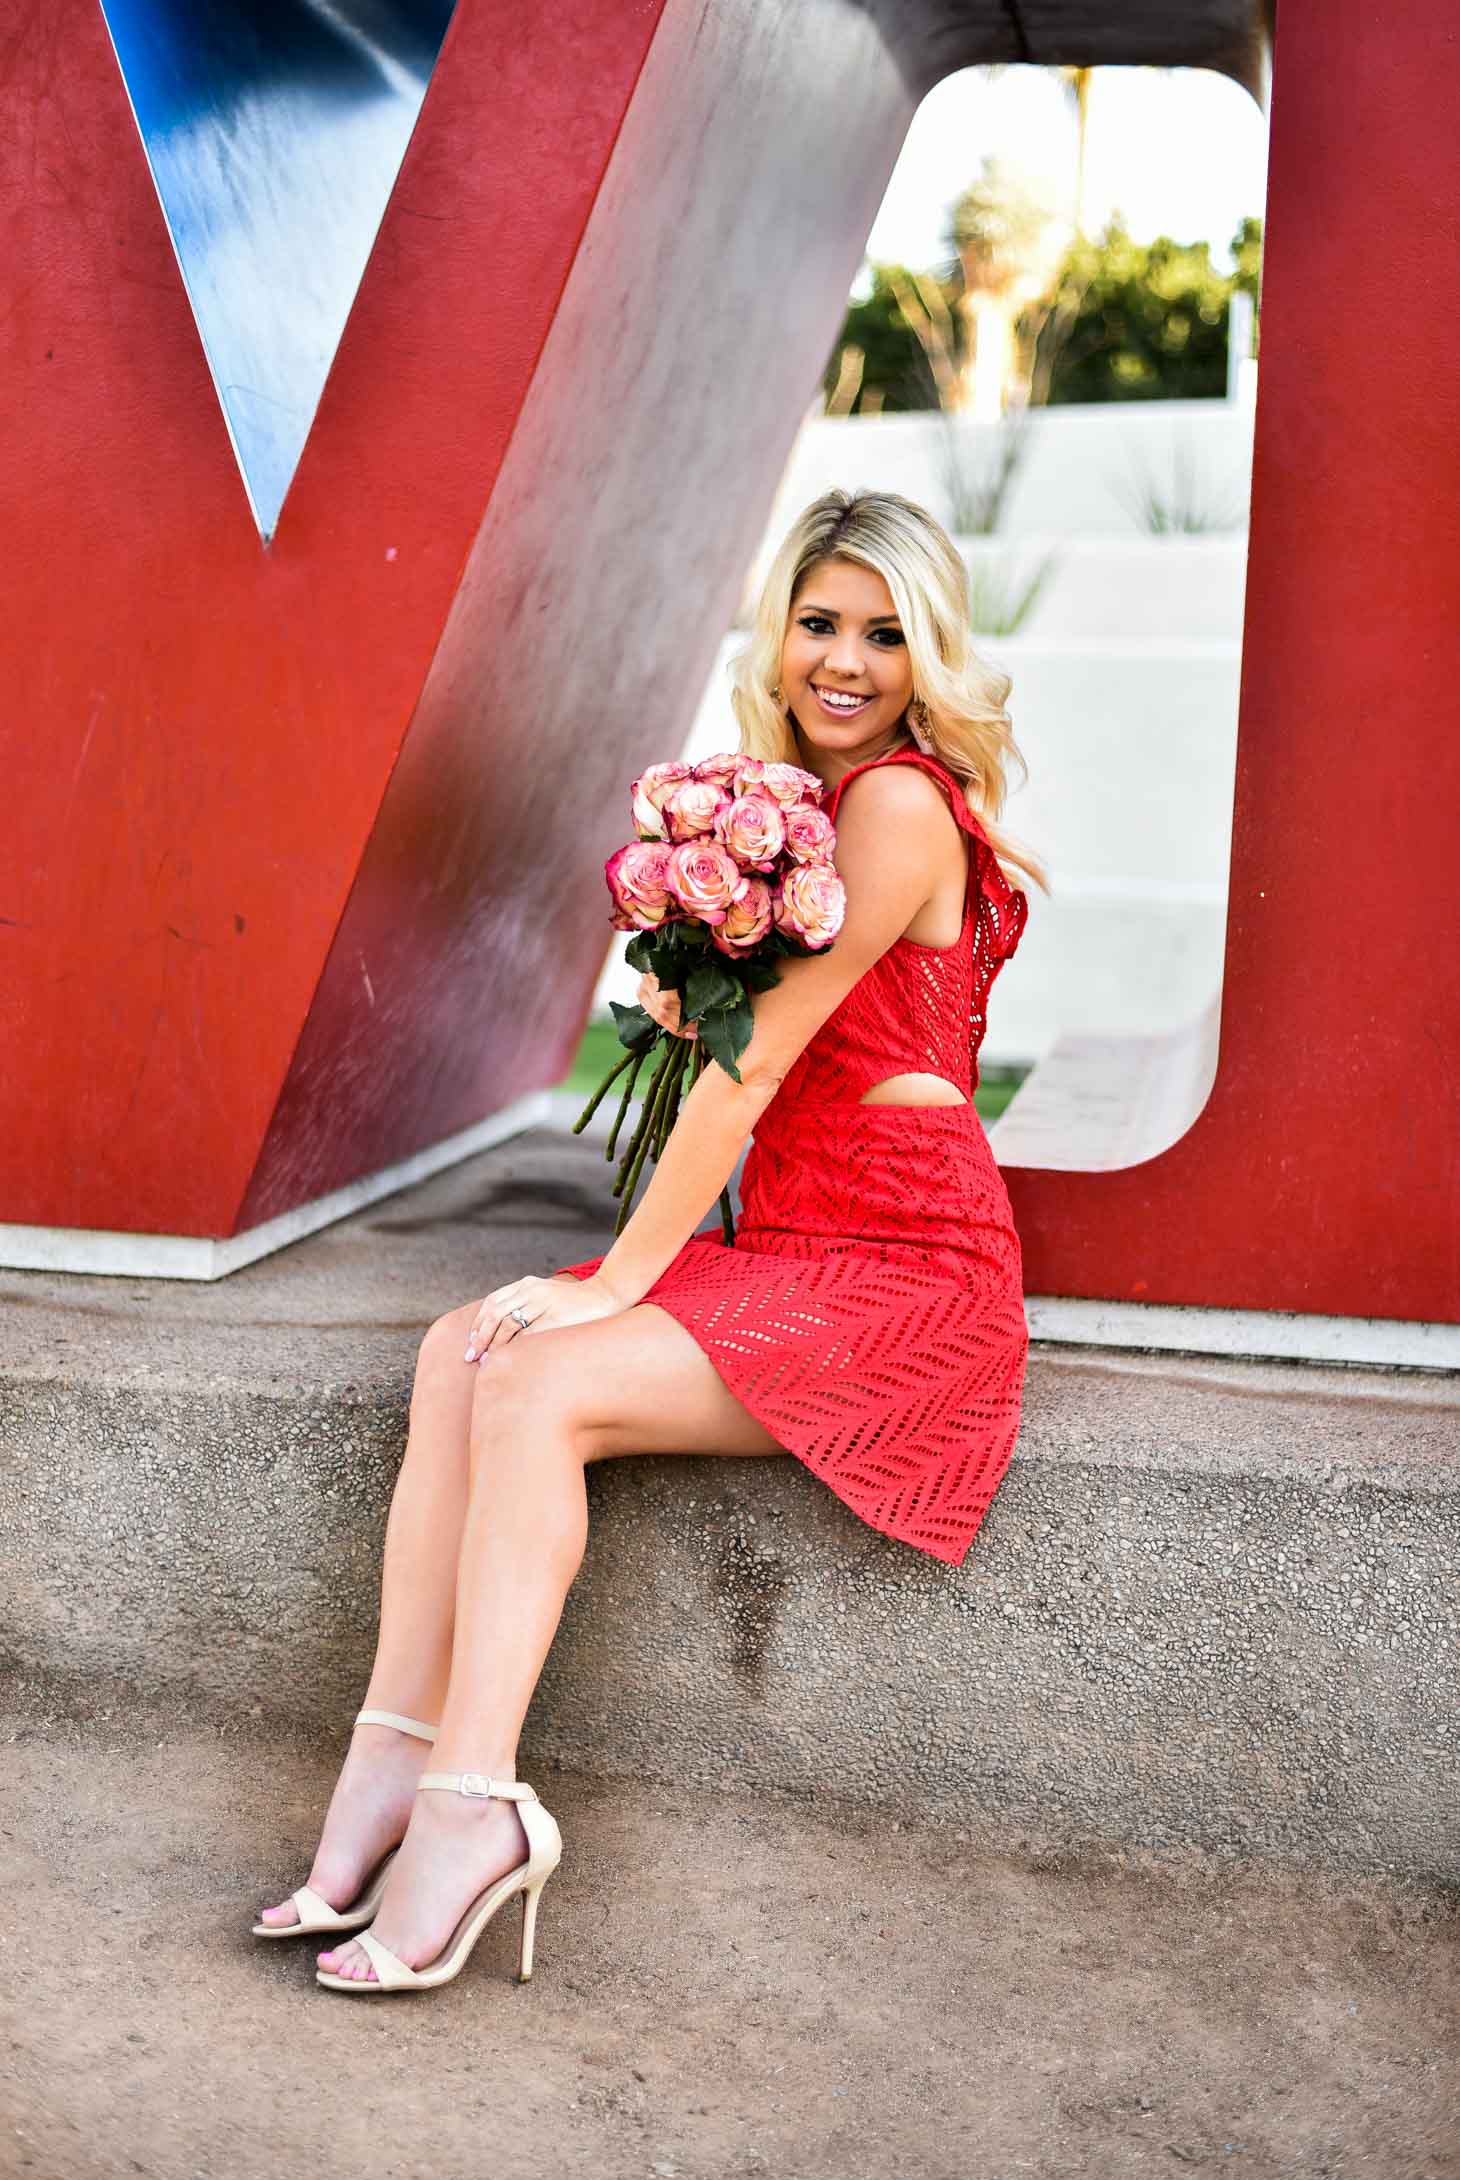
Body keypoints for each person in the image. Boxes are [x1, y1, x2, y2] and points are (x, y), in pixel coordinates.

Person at [253, 486, 1046, 1995]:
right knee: (460, 1346)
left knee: (540, 1379)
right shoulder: (799, 806)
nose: (847, 661)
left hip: (906, 1270)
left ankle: (473, 1810)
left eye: (888, 634)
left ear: (931, 651)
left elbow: (754, 1076)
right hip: (801, 1238)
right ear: (781, 627)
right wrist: (695, 981)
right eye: (821, 622)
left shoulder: (890, 802)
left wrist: (616, 1281)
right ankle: (388, 1763)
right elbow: (751, 1047)